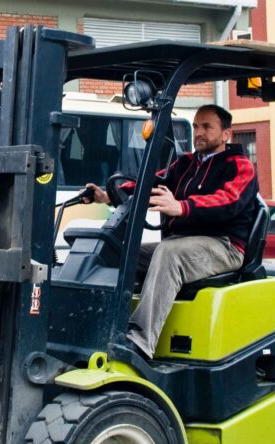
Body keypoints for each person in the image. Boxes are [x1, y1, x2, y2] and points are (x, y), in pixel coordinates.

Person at [82, 104, 259, 358]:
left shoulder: (240, 166)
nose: (199, 132)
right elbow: (148, 184)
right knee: (118, 251)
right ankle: (99, 326)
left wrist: (182, 207)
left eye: (207, 127)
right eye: (196, 126)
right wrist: (108, 195)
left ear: (226, 134)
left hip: (224, 246)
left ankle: (139, 342)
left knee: (168, 253)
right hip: (185, 242)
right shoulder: (185, 164)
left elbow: (228, 201)